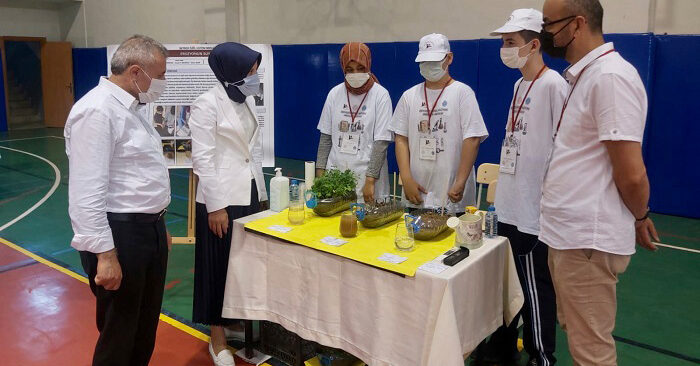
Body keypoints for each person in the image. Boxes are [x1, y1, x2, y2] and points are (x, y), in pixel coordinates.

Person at [539, 1, 659, 365]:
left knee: (591, 349)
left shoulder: (610, 77)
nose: (543, 32)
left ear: (576, 24)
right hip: (569, 237)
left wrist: (640, 216)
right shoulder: (585, 76)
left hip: (585, 240)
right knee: (579, 334)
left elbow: (631, 172)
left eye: (549, 24)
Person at [65, 34, 171, 366]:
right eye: (161, 75)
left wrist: (158, 225)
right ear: (137, 72)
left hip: (147, 231)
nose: (163, 83)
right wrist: (105, 254)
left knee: (144, 327)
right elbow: (86, 191)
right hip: (119, 236)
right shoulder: (97, 111)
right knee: (120, 333)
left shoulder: (130, 107)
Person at [481, 9, 568, 366]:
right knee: (508, 286)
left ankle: (540, 355)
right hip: (510, 205)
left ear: (534, 45)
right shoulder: (519, 85)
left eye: (511, 42)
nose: (505, 48)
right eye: (503, 42)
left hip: (535, 212)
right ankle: (502, 345)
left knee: (535, 288)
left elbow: (564, 150)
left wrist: (550, 206)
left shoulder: (554, 86)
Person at [189, 42, 269, 366]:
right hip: (220, 199)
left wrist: (262, 195)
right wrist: (216, 206)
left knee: (242, 267)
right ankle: (217, 339)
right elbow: (203, 160)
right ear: (232, 71)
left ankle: (236, 324)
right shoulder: (206, 104)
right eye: (250, 71)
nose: (255, 76)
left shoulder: (244, 101)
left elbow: (251, 152)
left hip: (249, 194)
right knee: (217, 267)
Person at [390, 33, 488, 212]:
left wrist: (460, 182)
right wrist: (406, 178)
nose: (429, 67)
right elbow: (401, 138)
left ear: (449, 58)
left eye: (434, 61)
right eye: (424, 62)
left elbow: (472, 139)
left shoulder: (462, 93)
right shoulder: (409, 96)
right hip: (417, 194)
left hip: (452, 196)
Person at [315, 42, 393, 203]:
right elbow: (325, 138)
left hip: (368, 179)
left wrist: (370, 180)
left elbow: (381, 142)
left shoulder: (380, 95)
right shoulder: (335, 94)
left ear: (368, 66)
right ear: (343, 69)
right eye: (350, 70)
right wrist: (320, 178)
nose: (355, 74)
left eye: (360, 68)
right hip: (335, 176)